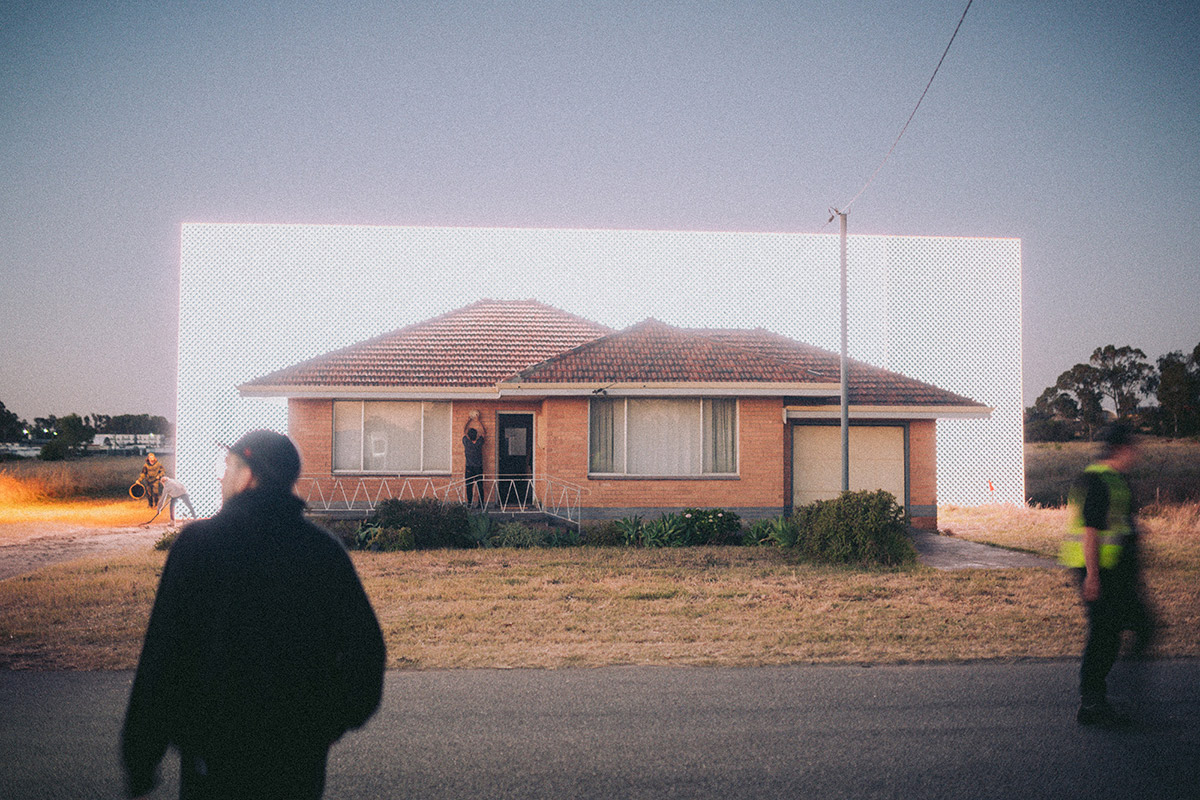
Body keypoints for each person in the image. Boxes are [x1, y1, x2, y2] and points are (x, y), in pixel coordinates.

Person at [122, 430, 386, 799]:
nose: (221, 477)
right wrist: (328, 723)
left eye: (228, 466)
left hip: (213, 755)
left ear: (248, 475)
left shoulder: (199, 546)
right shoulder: (322, 550)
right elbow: (367, 651)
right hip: (296, 760)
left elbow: (163, 654)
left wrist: (141, 753)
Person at [1059, 422, 1155, 728]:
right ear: (1120, 449)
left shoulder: (1116, 479)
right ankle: (1093, 702)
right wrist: (1092, 576)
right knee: (1104, 633)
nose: (1136, 454)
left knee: (1138, 625)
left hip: (1117, 570)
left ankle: (1114, 690)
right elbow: (1091, 531)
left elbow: (1119, 523)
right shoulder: (1097, 480)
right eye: (1133, 448)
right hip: (1098, 569)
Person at [462, 411, 486, 507]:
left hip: (469, 468)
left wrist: (468, 420)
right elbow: (484, 433)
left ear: (468, 436)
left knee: (469, 486)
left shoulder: (467, 443)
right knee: (480, 486)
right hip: (478, 467)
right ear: (476, 435)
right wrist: (479, 421)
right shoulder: (479, 443)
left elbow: (464, 431)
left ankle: (469, 503)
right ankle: (481, 504)